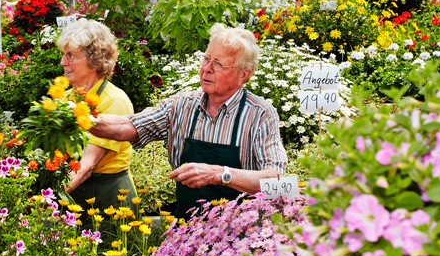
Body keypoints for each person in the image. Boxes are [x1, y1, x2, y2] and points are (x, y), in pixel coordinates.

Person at [89, 25, 287, 218]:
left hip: (238, 236)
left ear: (244, 74)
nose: (207, 69)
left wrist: (221, 175)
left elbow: (278, 183)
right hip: (186, 234)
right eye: (206, 59)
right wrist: (81, 117)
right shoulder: (182, 106)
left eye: (219, 64)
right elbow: (126, 126)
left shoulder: (260, 114)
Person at [58, 19, 137, 213]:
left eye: (71, 56)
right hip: (73, 190)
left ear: (95, 60)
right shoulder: (68, 97)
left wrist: (47, 200)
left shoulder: (114, 101)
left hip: (108, 198)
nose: (63, 62)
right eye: (63, 55)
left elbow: (87, 165)